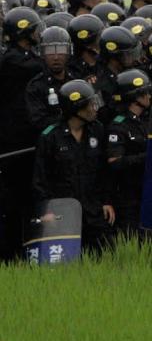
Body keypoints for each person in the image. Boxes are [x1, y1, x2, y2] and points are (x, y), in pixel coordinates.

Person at [33, 79, 115, 250]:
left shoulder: (97, 130)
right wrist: (47, 210)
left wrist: (106, 201)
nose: (95, 108)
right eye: (90, 104)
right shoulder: (50, 137)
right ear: (76, 108)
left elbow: (104, 171)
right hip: (63, 212)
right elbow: (41, 178)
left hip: (94, 211)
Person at [0, 7, 47, 260]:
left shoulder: (23, 56)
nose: (39, 33)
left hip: (24, 141)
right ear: (24, 33)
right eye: (34, 29)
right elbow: (39, 66)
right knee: (15, 199)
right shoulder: (14, 61)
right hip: (14, 145)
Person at [106, 69, 152, 232]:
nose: (149, 96)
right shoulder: (118, 126)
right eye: (145, 93)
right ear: (135, 97)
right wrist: (146, 157)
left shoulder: (146, 120)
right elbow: (114, 162)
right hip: (127, 194)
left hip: (147, 189)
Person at [26, 27, 78, 135]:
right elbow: (39, 121)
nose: (56, 57)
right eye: (50, 51)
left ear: (69, 52)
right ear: (42, 54)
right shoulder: (36, 86)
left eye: (61, 50)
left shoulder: (76, 80)